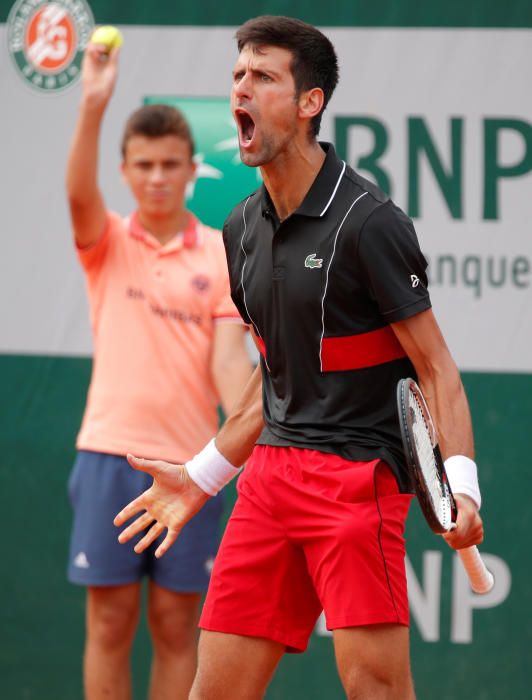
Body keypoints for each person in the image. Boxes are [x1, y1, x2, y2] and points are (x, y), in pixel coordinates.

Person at [114, 16, 485, 700]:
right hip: (269, 482)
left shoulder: (370, 222)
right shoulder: (239, 229)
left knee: (375, 689)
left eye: (263, 77)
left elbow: (436, 369)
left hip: (357, 481)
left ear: (309, 102)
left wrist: (461, 485)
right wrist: (202, 477)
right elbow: (273, 381)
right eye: (236, 77)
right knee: (214, 691)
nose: (241, 91)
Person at [65, 36, 252, 700]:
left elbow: (233, 365)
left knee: (179, 628)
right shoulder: (107, 242)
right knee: (110, 625)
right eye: (143, 165)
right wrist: (93, 104)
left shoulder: (220, 257)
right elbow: (77, 193)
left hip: (190, 467)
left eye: (171, 164)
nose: (157, 177)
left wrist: (246, 437)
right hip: (108, 459)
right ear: (125, 171)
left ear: (191, 168)